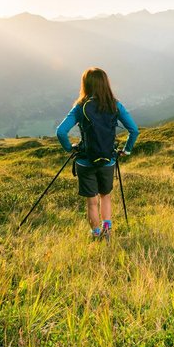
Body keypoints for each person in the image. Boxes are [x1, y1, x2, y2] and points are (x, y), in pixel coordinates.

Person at [56, 67, 139, 241]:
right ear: (105, 83)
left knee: (92, 202)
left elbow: (61, 132)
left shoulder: (80, 107)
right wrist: (127, 150)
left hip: (85, 161)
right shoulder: (115, 105)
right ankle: (107, 232)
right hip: (108, 160)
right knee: (105, 197)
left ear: (85, 84)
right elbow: (134, 130)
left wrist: (70, 149)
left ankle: (95, 234)